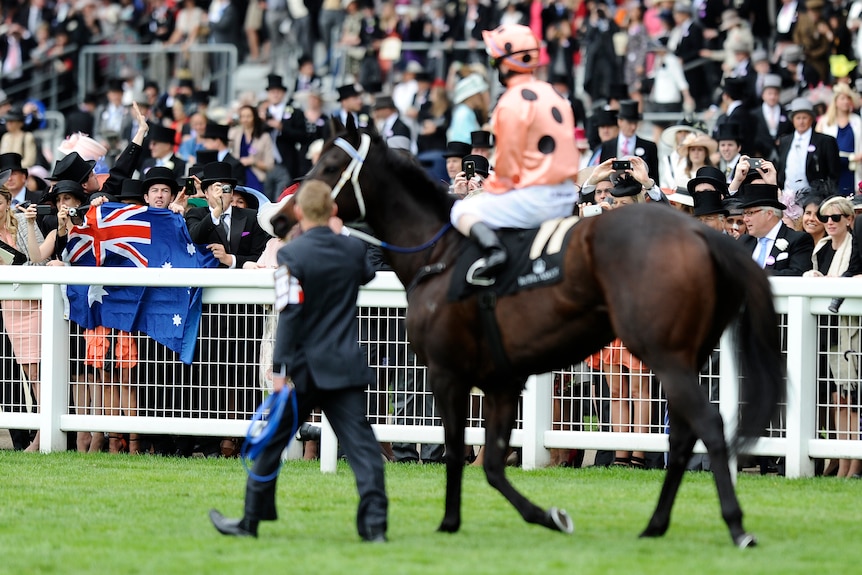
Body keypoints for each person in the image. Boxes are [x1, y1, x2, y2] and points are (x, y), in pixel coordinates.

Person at [209, 180, 388, 542]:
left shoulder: (292, 254)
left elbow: (288, 312)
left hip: (304, 369)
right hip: (343, 365)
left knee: (271, 444)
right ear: (334, 211)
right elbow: (368, 273)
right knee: (364, 450)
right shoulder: (351, 249)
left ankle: (250, 521)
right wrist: (342, 234)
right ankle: (374, 527)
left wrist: (279, 368)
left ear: (300, 213)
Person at [450, 24, 580, 283]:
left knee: (461, 211)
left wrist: (487, 188)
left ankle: (495, 253)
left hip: (536, 199)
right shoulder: (555, 93)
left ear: (506, 63)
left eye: (494, 60)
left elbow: (507, 170)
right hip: (567, 194)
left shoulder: (509, 101)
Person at [802, 196, 862, 478]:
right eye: (825, 218)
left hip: (850, 330)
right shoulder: (822, 249)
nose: (828, 223)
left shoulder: (855, 246)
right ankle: (840, 459)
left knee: (849, 397)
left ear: (849, 220)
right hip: (826, 331)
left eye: (835, 218)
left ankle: (853, 463)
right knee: (836, 398)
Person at [0, 186, 49, 451]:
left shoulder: (21, 221)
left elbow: (39, 261)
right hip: (11, 308)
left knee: (39, 371)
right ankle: (41, 432)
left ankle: (43, 434)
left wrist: (17, 269)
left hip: (37, 303)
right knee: (30, 372)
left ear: (8, 202)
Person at [737, 182, 814, 276]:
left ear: (769, 214)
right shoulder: (744, 241)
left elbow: (798, 274)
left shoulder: (798, 240)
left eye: (749, 213)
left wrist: (755, 275)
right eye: (744, 214)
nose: (745, 219)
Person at [776, 97, 841, 195]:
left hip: (815, 197)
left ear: (811, 119)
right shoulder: (785, 141)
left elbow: (833, 173)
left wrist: (825, 193)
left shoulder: (825, 141)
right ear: (793, 120)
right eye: (798, 118)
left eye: (804, 118)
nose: (801, 122)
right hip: (787, 195)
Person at [815, 84, 862, 196]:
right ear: (835, 101)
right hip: (831, 169)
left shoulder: (857, 120)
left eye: (848, 98)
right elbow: (817, 145)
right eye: (842, 98)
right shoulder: (824, 121)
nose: (846, 101)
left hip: (853, 168)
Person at [599, 100, 660, 183]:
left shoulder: (649, 147)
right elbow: (603, 175)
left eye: (635, 123)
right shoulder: (607, 146)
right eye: (629, 123)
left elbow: (654, 179)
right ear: (620, 122)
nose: (633, 127)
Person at [228, 104, 274, 194]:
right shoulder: (234, 133)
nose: (245, 119)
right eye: (243, 116)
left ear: (255, 117)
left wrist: (253, 161)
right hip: (237, 175)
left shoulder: (264, 137)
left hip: (256, 176)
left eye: (249, 116)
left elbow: (270, 165)